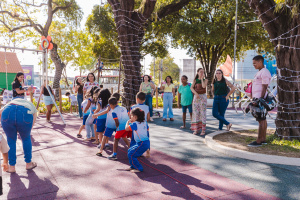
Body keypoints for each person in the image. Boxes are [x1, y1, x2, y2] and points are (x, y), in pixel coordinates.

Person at [0, 98, 38, 173]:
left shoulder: (8, 104)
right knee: (26, 138)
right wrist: (26, 129)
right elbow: (34, 118)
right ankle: (28, 163)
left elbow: (0, 112)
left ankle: (11, 167)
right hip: (25, 113)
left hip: (7, 113)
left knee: (10, 140)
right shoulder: (30, 105)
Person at [247, 55, 271, 147]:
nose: (254, 65)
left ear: (260, 62)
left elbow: (264, 86)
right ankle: (263, 139)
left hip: (259, 99)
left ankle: (258, 141)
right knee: (263, 119)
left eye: (255, 63)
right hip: (257, 99)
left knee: (261, 119)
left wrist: (260, 99)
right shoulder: (260, 72)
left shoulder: (264, 72)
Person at [125, 108, 150, 173]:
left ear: (135, 117)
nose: (130, 117)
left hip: (141, 143)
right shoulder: (144, 122)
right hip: (145, 142)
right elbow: (147, 130)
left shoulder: (135, 124)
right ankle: (133, 166)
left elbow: (126, 129)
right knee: (130, 151)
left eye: (131, 116)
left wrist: (127, 122)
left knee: (131, 154)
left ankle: (139, 168)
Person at [130, 92, 150, 158]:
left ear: (137, 99)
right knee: (146, 138)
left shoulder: (133, 107)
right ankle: (147, 150)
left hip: (136, 125)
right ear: (144, 100)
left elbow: (130, 116)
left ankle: (134, 151)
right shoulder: (147, 107)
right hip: (144, 125)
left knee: (134, 139)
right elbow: (148, 117)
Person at [190, 69, 208, 135]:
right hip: (196, 97)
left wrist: (201, 79)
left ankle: (203, 130)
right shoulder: (195, 80)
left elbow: (203, 86)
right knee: (196, 113)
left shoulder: (205, 80)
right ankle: (196, 129)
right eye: (200, 72)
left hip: (203, 97)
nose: (202, 73)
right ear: (197, 72)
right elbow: (191, 88)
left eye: (203, 72)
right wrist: (196, 93)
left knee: (203, 113)